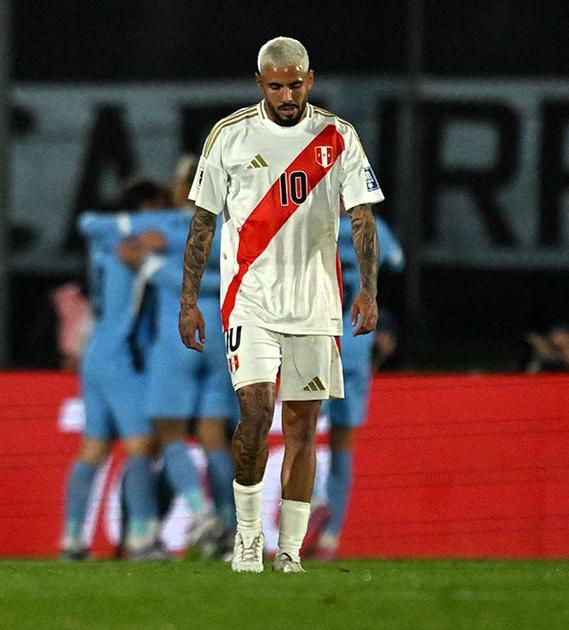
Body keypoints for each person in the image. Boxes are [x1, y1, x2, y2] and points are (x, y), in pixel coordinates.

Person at [179, 36, 385, 573]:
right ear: (260, 84)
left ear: (309, 80)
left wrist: (369, 289)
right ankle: (248, 535)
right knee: (254, 412)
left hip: (317, 304)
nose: (287, 94)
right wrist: (188, 301)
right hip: (250, 301)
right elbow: (202, 222)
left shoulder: (338, 137)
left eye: (296, 84)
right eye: (277, 85)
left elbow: (363, 217)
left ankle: (288, 550)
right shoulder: (229, 136)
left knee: (302, 426)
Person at [132, 156, 238, 557]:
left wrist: (150, 264)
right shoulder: (231, 228)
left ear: (182, 189)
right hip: (221, 337)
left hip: (178, 337)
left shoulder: (167, 228)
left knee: (169, 432)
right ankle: (232, 535)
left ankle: (200, 515)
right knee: (215, 438)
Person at [59, 180, 170, 561]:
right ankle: (141, 538)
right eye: (157, 209)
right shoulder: (136, 247)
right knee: (140, 446)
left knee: (94, 448)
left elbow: (91, 226)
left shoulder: (103, 243)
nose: (163, 219)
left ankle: (72, 539)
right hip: (122, 355)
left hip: (95, 353)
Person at [305, 209, 403, 560]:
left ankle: (313, 497)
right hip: (357, 351)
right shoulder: (371, 227)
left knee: (306, 425)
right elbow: (396, 260)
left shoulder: (312, 220)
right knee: (342, 444)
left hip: (320, 345)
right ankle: (331, 539)